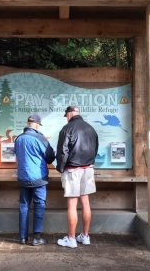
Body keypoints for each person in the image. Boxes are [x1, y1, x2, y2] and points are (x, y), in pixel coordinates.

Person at [56, 105, 99, 248]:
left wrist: (60, 168)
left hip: (72, 169)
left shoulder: (66, 129)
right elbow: (95, 148)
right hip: (88, 169)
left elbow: (62, 152)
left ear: (69, 114)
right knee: (85, 203)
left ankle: (71, 239)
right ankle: (85, 236)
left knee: (72, 205)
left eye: (66, 115)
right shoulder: (91, 129)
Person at [14, 114, 55, 246]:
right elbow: (50, 158)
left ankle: (23, 237)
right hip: (38, 178)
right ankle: (36, 237)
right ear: (37, 125)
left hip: (23, 177)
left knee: (24, 206)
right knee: (39, 205)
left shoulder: (18, 139)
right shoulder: (40, 138)